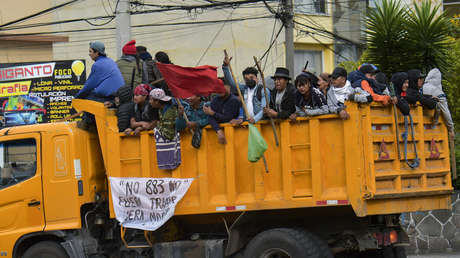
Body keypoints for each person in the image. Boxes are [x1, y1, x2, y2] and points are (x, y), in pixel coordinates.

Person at [75, 41, 124, 128]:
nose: (89, 54)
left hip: (108, 97)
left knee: (87, 98)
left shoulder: (98, 65)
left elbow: (89, 85)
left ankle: (88, 122)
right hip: (118, 96)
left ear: (97, 52)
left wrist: (77, 97)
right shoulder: (110, 61)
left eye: (90, 51)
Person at [222, 56, 269, 124]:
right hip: (247, 123)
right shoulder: (244, 88)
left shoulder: (263, 90)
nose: (249, 80)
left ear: (257, 78)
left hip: (260, 123)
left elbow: (264, 109)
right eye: (246, 79)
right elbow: (231, 82)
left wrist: (255, 119)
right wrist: (225, 66)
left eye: (251, 77)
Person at [149, 88, 181, 170]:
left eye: (151, 99)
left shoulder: (169, 112)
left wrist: (157, 126)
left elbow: (169, 134)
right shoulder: (161, 109)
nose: (149, 102)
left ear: (157, 101)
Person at [203, 79, 241, 144]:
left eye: (222, 86)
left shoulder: (234, 100)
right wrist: (218, 131)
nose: (220, 89)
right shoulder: (215, 100)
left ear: (229, 87)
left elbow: (228, 118)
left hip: (237, 135)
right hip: (220, 136)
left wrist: (213, 113)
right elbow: (210, 118)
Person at [422, 68, 455, 140]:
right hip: (432, 123)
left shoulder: (422, 88)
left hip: (420, 123)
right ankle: (434, 124)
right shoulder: (438, 92)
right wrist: (451, 129)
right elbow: (446, 112)